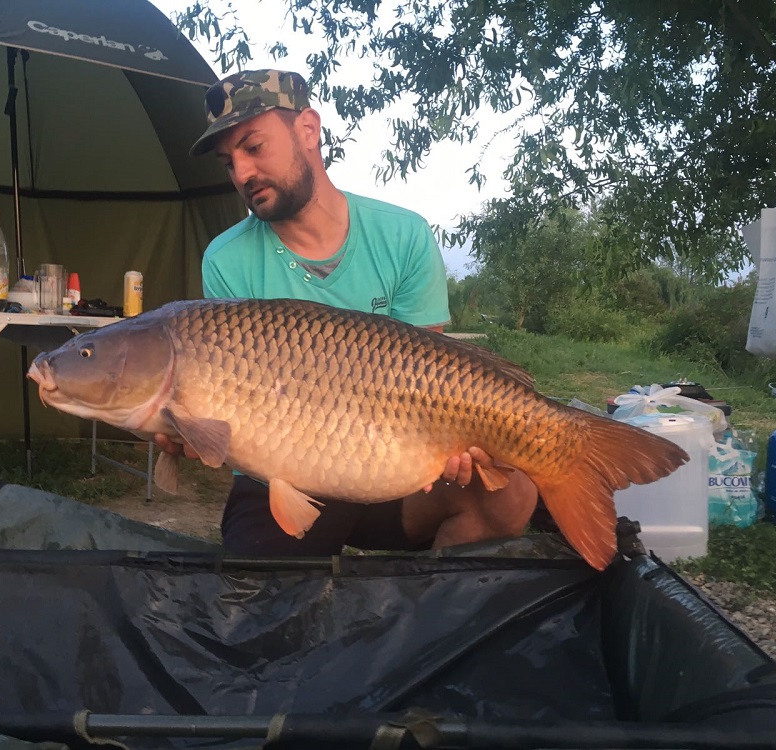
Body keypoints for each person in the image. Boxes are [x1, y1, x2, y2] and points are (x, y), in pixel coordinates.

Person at [156, 68, 537, 556]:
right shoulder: (226, 260)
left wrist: (455, 444)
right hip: (282, 471)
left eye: (254, 147)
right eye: (229, 162)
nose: (242, 174)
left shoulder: (403, 235)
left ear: (308, 130)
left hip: (394, 465)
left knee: (512, 493)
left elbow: (434, 381)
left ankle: (429, 600)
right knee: (262, 583)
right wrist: (188, 428)